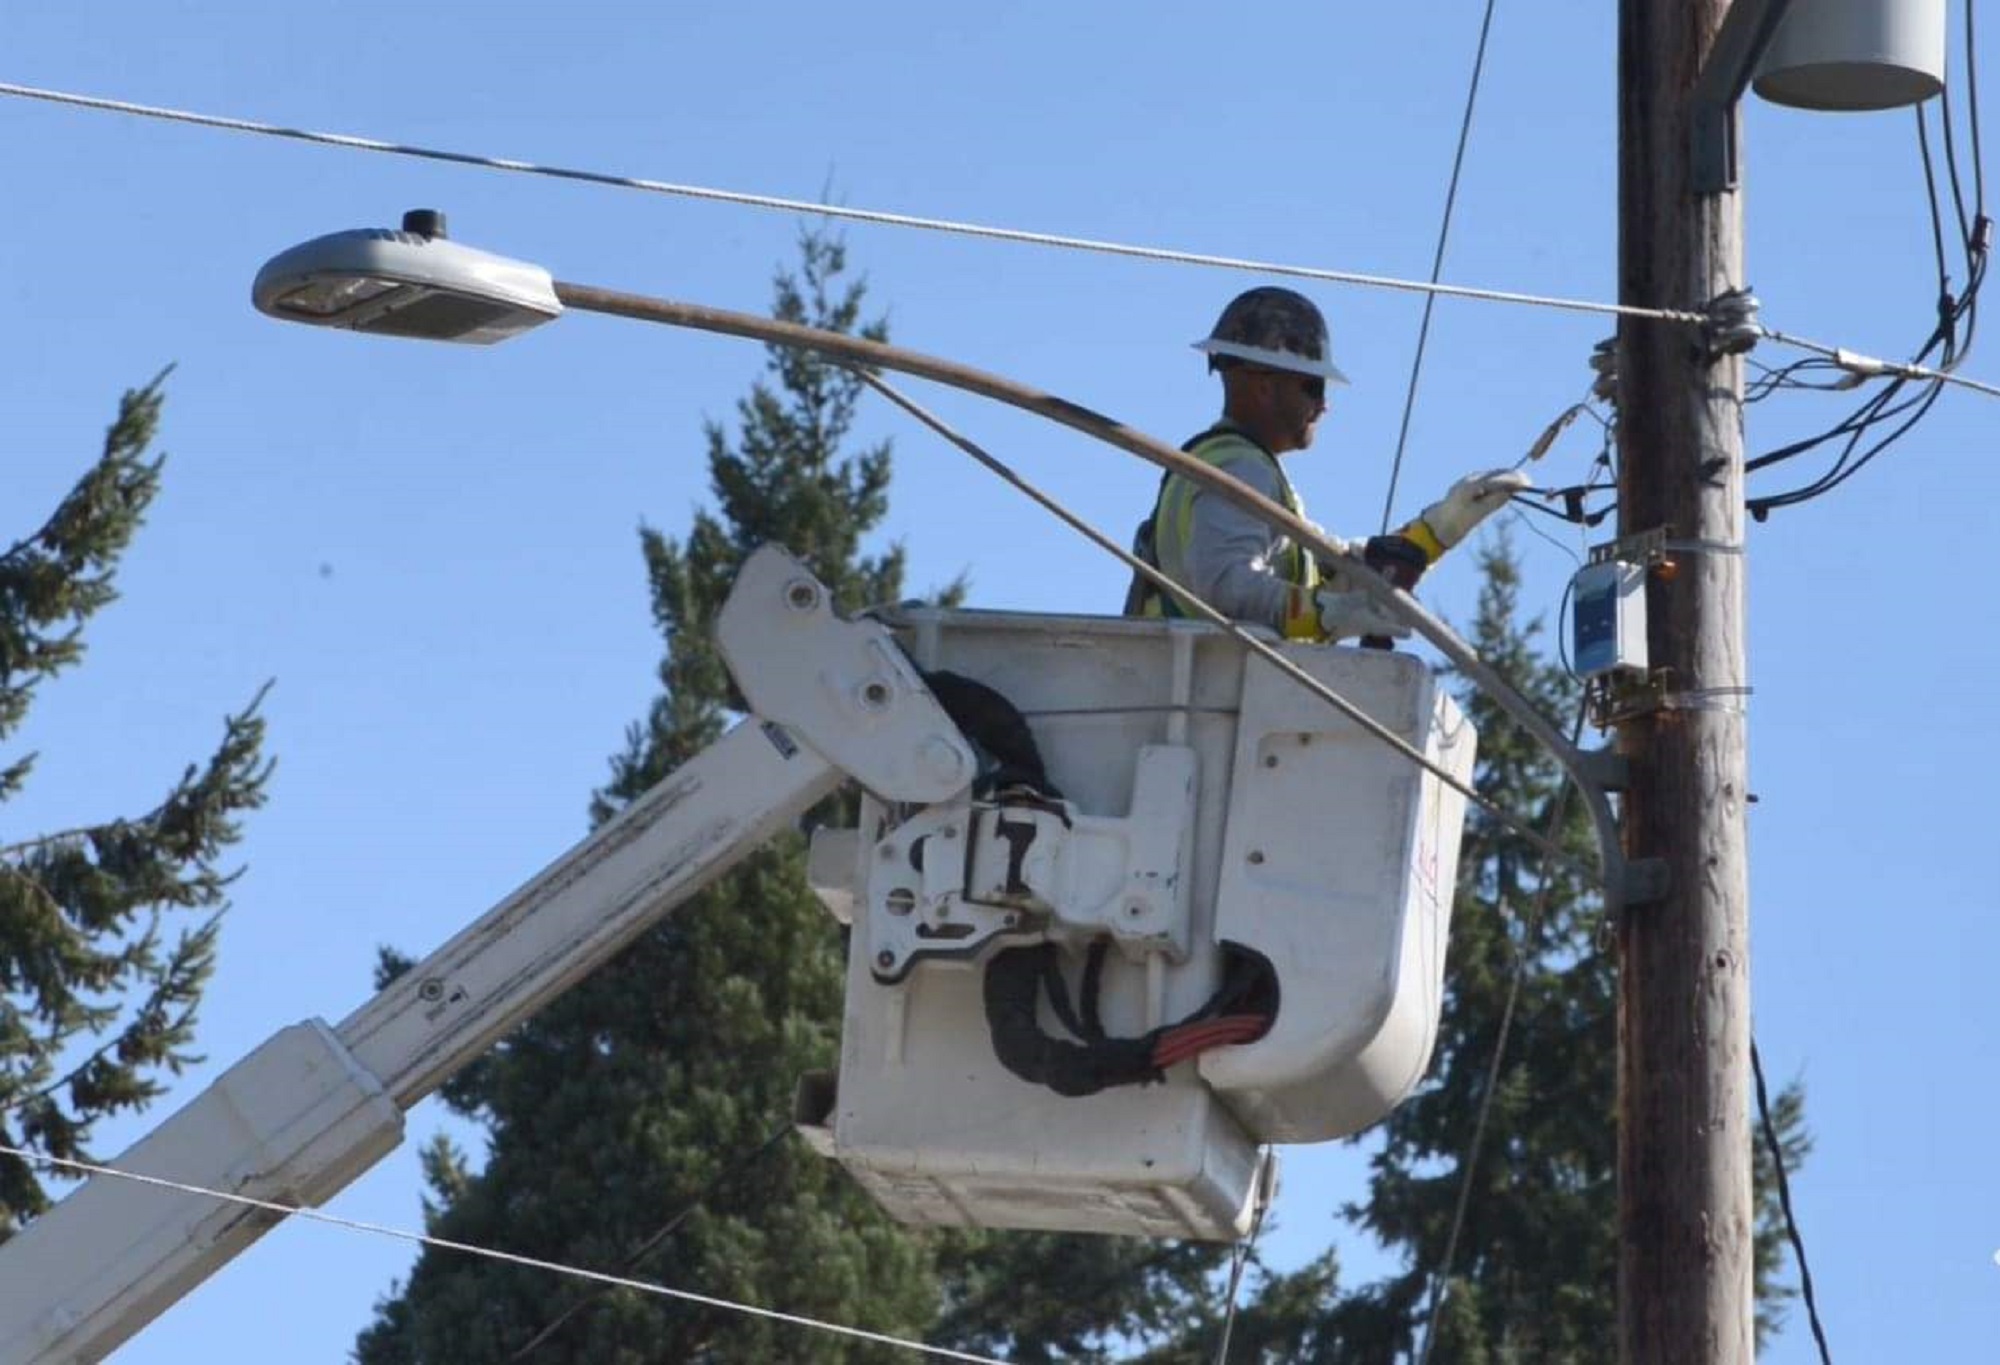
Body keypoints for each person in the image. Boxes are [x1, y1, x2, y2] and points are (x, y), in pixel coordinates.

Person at [1125, 286, 1527, 641]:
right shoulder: (1240, 467)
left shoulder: (1229, 463)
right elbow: (1227, 588)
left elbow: (1335, 567)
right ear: (1264, 385)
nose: (1323, 405)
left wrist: (1440, 528)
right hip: (1217, 702)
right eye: (1312, 386)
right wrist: (1325, 614)